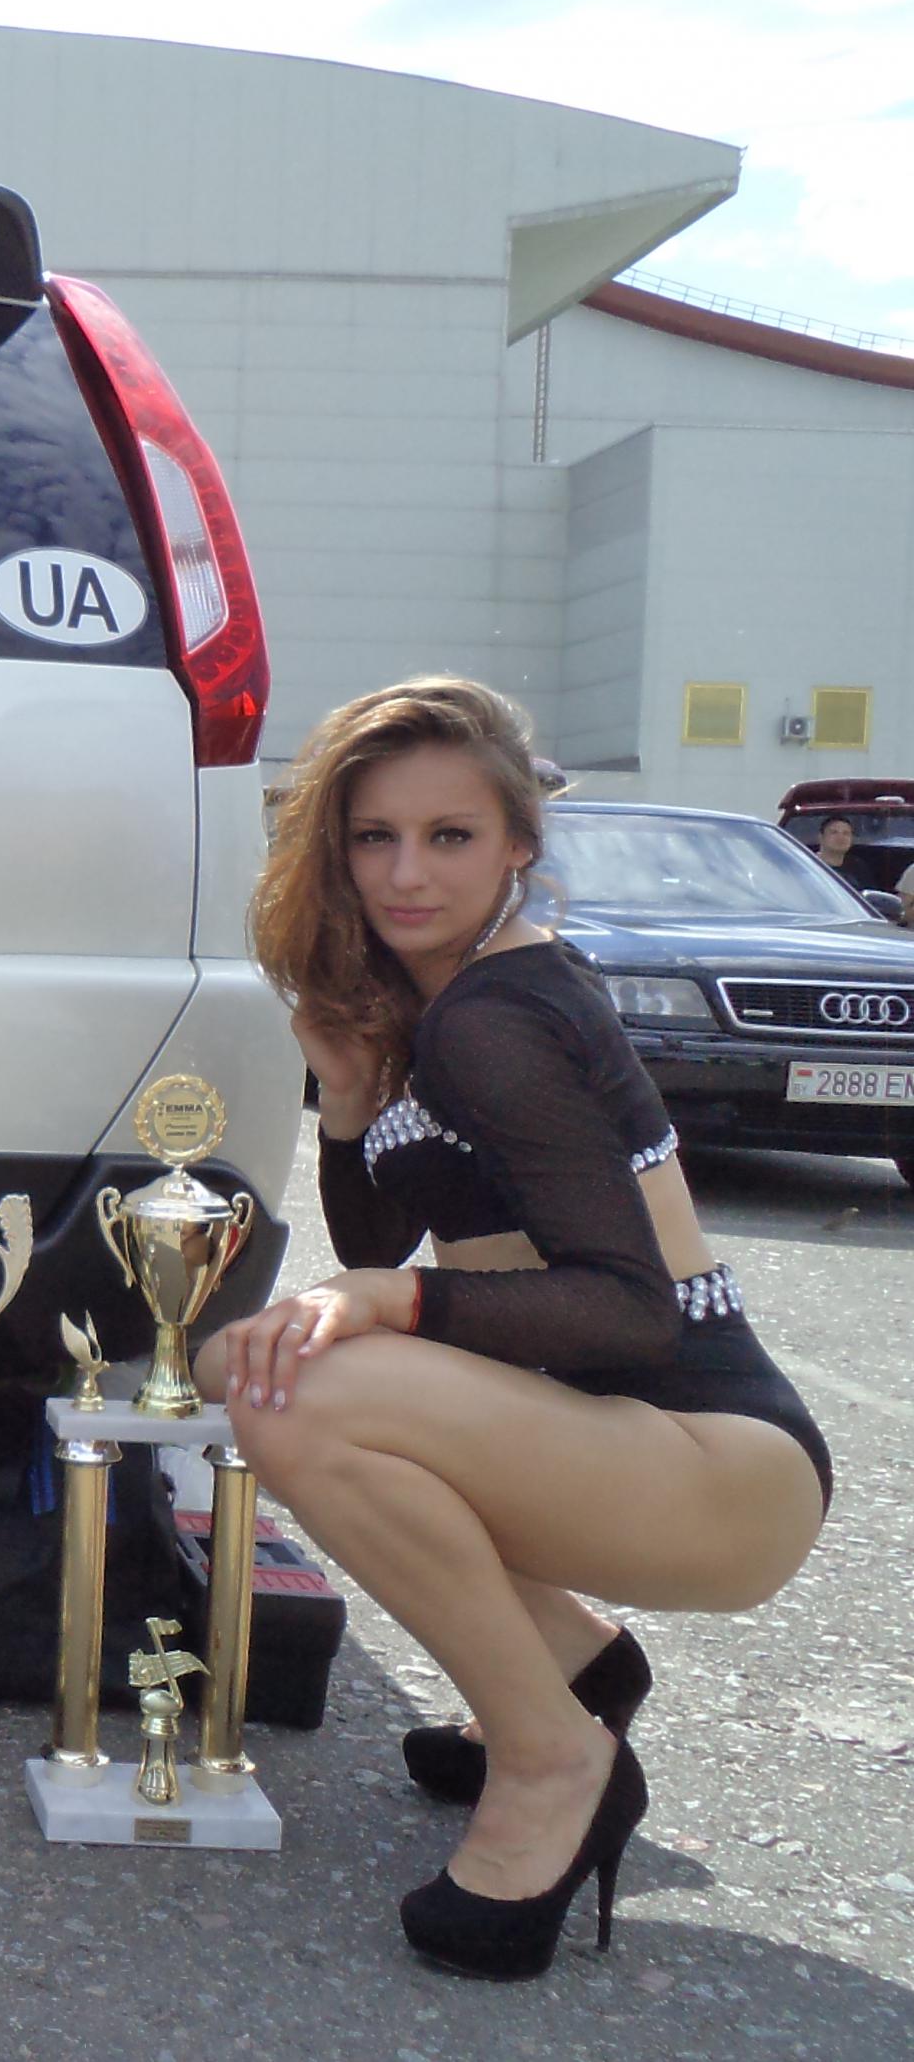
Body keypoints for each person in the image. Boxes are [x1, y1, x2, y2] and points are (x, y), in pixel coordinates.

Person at [207, 677, 829, 1980]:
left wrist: (386, 1303)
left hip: (714, 1462)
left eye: (450, 836)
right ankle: (567, 1662)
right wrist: (347, 1098)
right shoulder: (451, 1003)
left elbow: (626, 1306)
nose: (406, 874)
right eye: (374, 837)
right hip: (630, 1436)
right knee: (276, 1368)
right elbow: (381, 1239)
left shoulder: (496, 1018)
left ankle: (555, 1759)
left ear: (517, 846)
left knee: (285, 1385)